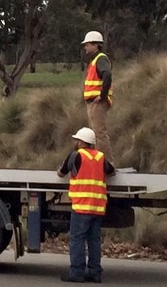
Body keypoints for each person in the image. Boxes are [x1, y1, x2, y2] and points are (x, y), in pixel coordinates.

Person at [57, 127, 115, 283]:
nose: (76, 142)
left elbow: (61, 173)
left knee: (77, 239)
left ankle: (76, 273)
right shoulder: (101, 157)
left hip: (82, 206)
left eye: (77, 140)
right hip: (98, 207)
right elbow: (112, 172)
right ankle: (95, 273)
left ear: (82, 142)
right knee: (94, 240)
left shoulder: (76, 156)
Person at [81, 31, 113, 158]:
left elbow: (108, 74)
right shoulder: (95, 61)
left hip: (97, 102)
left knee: (99, 134)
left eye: (87, 44)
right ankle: (97, 161)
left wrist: (103, 95)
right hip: (93, 102)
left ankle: (107, 164)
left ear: (95, 45)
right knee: (95, 134)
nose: (85, 47)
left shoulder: (100, 59)